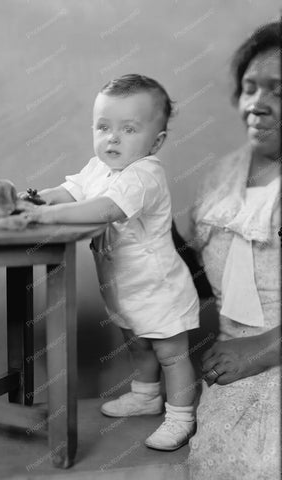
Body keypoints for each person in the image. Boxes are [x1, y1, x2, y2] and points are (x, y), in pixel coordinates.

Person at [19, 74, 200, 450]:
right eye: (103, 127)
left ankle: (181, 416)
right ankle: (147, 395)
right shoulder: (98, 167)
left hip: (158, 286)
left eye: (128, 129)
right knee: (136, 342)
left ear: (157, 141)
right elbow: (73, 191)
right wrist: (44, 199)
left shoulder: (145, 175)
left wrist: (47, 218)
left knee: (170, 352)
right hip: (123, 285)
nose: (112, 138)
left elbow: (105, 208)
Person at [187, 22, 281, 479]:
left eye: (277, 91)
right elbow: (207, 276)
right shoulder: (220, 177)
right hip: (230, 348)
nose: (256, 105)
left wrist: (264, 347)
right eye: (249, 88)